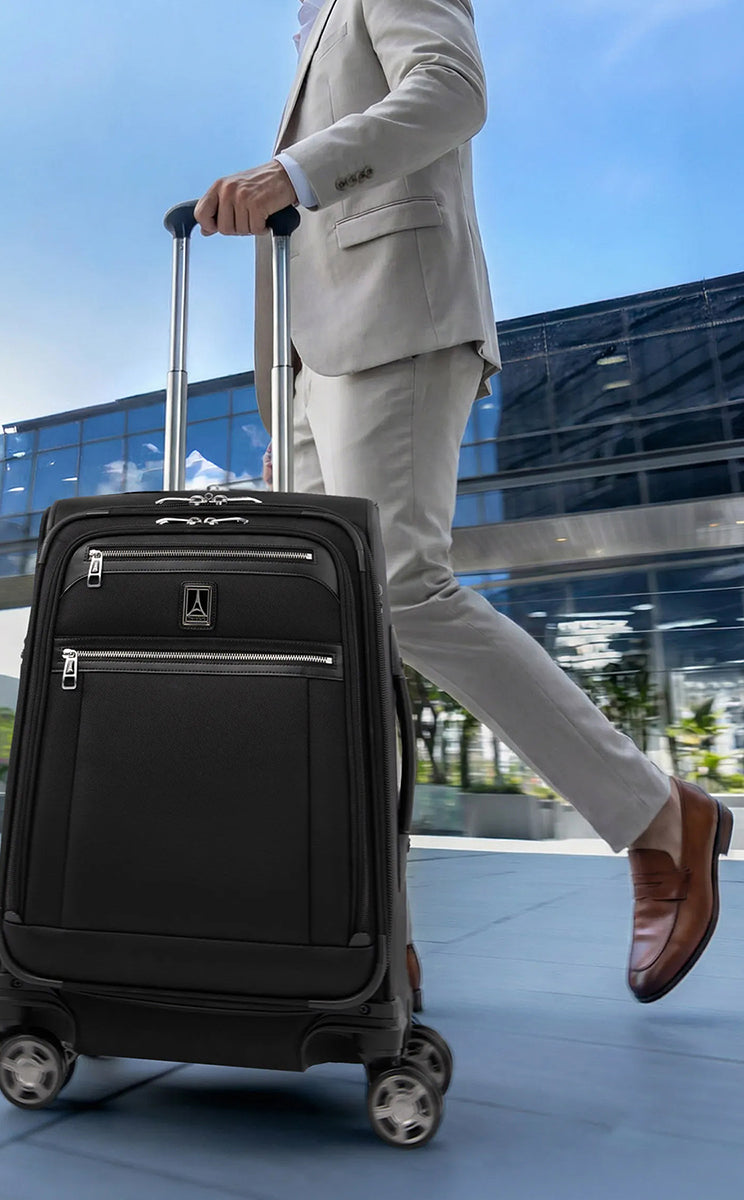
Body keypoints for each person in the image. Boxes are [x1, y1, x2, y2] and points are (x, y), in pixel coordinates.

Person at [192, 0, 733, 1006]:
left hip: (396, 314)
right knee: (328, 639)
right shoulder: (307, 25)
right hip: (312, 361)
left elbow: (452, 91)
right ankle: (370, 936)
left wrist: (291, 173)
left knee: (400, 593)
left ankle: (662, 815)